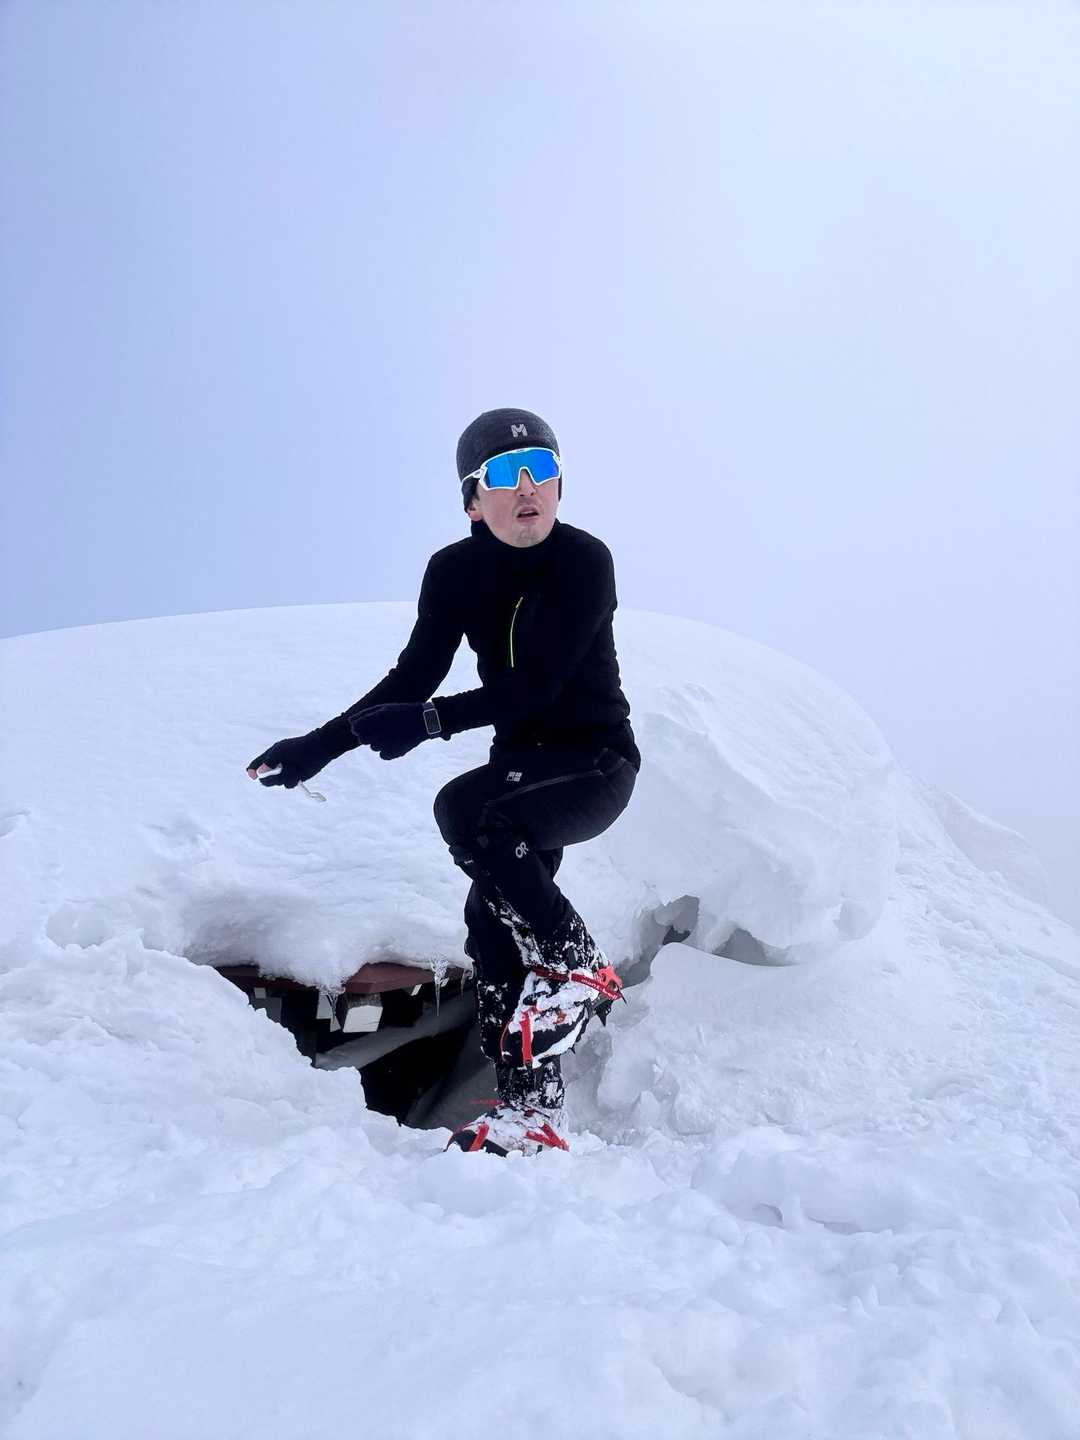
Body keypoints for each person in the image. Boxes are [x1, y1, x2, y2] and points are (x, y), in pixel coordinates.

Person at [247, 408, 640, 1156]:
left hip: (594, 764)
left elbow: (537, 685)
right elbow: (414, 677)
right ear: (472, 500)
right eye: (505, 474)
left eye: (543, 470)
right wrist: (319, 747)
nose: (527, 487)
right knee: (490, 927)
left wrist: (430, 723)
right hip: (521, 773)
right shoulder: (455, 572)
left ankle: (575, 964)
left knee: (466, 807)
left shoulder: (584, 561)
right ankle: (531, 1111)